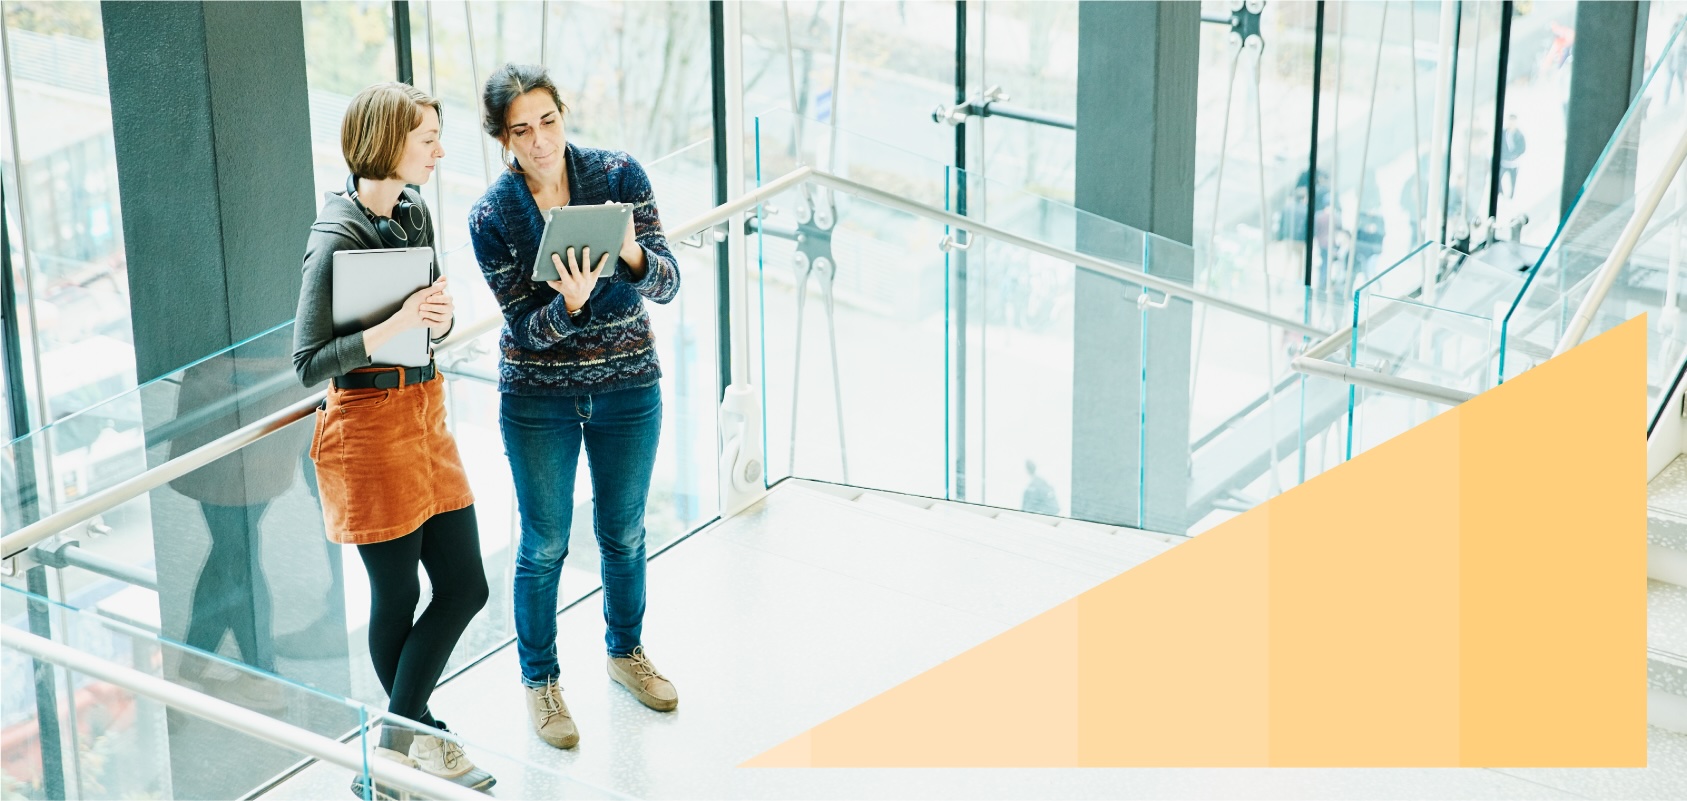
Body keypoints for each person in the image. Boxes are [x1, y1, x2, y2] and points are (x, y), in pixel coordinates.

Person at [467, 63, 681, 751]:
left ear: (563, 114)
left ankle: (626, 652)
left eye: (548, 121)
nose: (539, 141)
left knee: (623, 531)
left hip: (628, 385)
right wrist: (571, 304)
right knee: (544, 543)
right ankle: (541, 682)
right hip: (538, 400)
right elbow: (523, 329)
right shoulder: (491, 216)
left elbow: (668, 283)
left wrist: (633, 255)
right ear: (502, 138)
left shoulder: (619, 175)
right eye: (520, 131)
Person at [292, 82, 493, 794]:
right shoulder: (334, 237)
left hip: (424, 412)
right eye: (427, 140)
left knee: (466, 586)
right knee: (398, 592)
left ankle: (394, 749)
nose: (438, 152)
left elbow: (429, 322)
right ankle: (414, 744)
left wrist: (436, 316)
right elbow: (307, 363)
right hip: (369, 427)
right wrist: (396, 323)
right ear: (386, 143)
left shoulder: (413, 210)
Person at [1500, 114, 1526, 199]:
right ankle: (1500, 194)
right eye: (1510, 121)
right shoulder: (1503, 133)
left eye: (1513, 121)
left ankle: (1511, 196)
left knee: (1513, 181)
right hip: (1504, 162)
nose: (1511, 123)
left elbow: (1522, 148)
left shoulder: (1519, 135)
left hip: (1514, 163)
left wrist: (1514, 155)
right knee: (1498, 178)